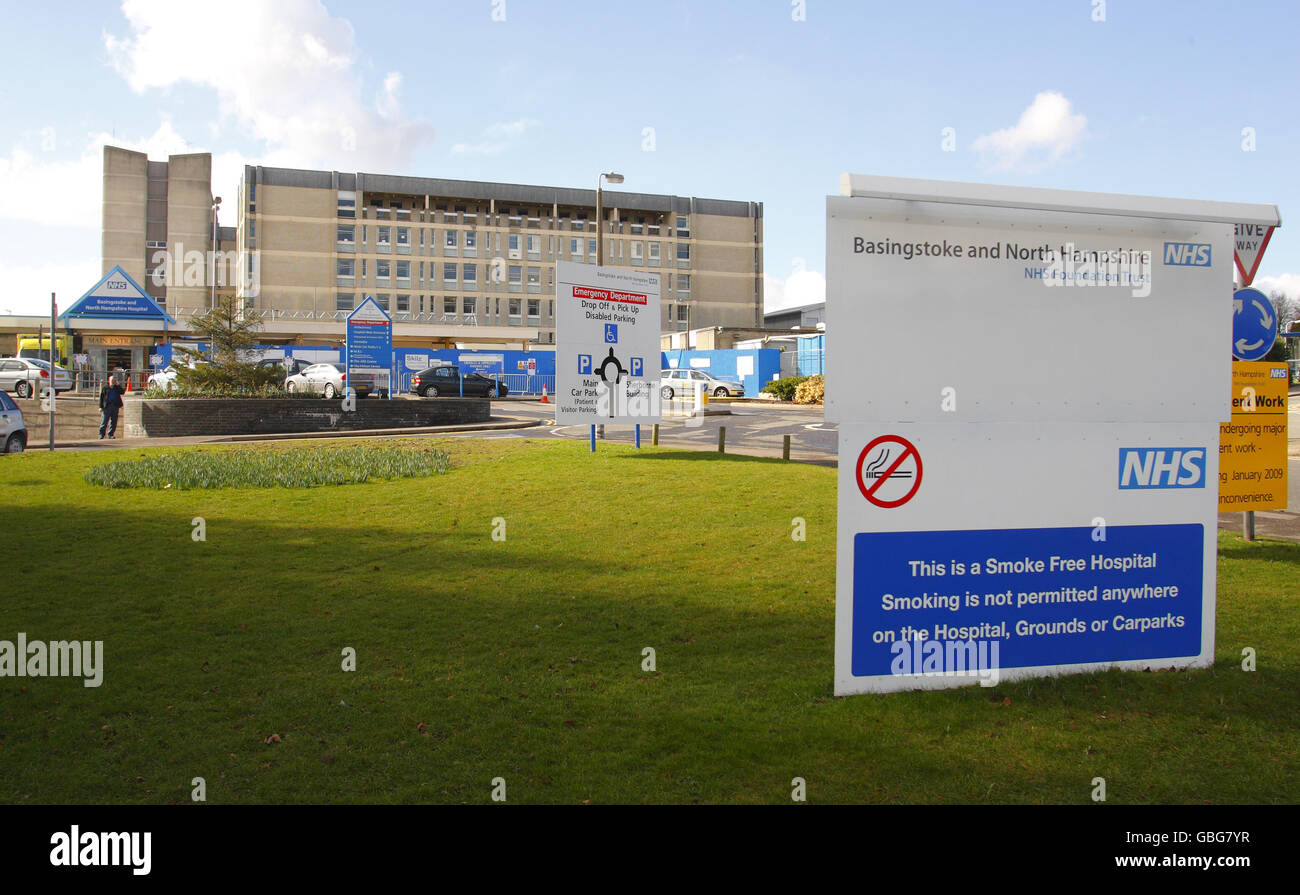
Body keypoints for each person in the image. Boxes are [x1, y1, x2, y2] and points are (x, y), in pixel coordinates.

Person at [98, 375, 125, 439]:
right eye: (112, 380)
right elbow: (101, 398)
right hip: (107, 406)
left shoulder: (116, 388)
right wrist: (100, 407)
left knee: (114, 421)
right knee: (104, 421)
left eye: (114, 380)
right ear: (109, 381)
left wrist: (118, 385)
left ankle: (111, 434)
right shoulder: (105, 388)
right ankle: (101, 434)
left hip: (115, 406)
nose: (113, 382)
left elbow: (122, 392)